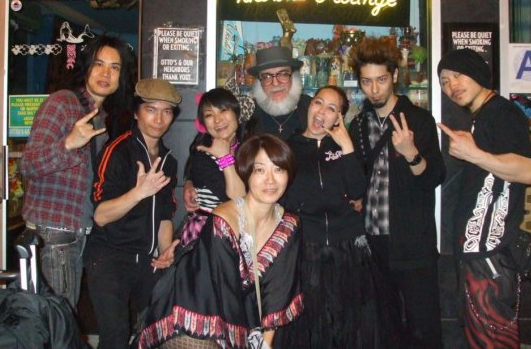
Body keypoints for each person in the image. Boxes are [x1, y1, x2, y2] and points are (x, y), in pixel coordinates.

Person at [138, 134, 304, 349]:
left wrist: (266, 343)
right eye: (260, 170)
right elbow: (222, 290)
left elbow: (279, 290)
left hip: (241, 311)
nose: (270, 180)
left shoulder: (289, 223)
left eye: (278, 169)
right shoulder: (225, 219)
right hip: (193, 306)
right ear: (246, 173)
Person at [279, 85, 401, 348]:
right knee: (311, 327)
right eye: (318, 103)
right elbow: (281, 197)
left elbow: (358, 190)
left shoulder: (346, 147)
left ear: (339, 118)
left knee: (350, 326)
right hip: (306, 249)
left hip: (348, 249)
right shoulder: (289, 147)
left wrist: (346, 147)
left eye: (331, 108)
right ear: (309, 107)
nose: (322, 111)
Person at [20, 34, 135, 309]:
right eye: (99, 64)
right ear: (86, 67)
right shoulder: (62, 103)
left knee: (59, 322)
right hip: (55, 234)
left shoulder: (101, 117)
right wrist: (69, 143)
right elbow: (29, 163)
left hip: (77, 233)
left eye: (114, 67)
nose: (106, 73)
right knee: (60, 321)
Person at [348, 36, 445, 348]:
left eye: (381, 80)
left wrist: (412, 152)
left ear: (393, 77)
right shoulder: (359, 125)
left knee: (423, 328)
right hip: (373, 243)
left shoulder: (417, 119)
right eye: (366, 81)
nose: (374, 89)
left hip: (412, 241)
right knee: (385, 327)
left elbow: (435, 177)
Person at [437, 48, 531, 348]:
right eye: (444, 80)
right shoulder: (483, 116)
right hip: (478, 252)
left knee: (493, 340)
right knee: (481, 337)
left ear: (477, 72)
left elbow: (527, 170)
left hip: (490, 253)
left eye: (458, 75)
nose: (452, 85)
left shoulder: (502, 112)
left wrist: (475, 155)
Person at [84, 78, 182, 349]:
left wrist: (165, 253)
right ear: (137, 111)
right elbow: (101, 215)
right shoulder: (117, 150)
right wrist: (139, 192)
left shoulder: (168, 160)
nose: (159, 118)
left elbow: (164, 215)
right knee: (115, 336)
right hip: (109, 257)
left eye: (167, 111)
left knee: (156, 331)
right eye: (151, 109)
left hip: (146, 260)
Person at [183, 46, 310, 213]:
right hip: (259, 214)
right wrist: (190, 182)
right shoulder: (247, 113)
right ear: (259, 82)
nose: (275, 82)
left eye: (283, 74)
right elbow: (206, 149)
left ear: (293, 76)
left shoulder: (311, 110)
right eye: (267, 76)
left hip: (305, 211)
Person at [179, 87, 246, 245]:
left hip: (240, 234)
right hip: (207, 236)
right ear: (203, 123)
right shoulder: (202, 156)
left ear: (237, 113)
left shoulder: (250, 150)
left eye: (223, 110)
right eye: (209, 115)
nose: (217, 119)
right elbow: (238, 200)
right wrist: (224, 157)